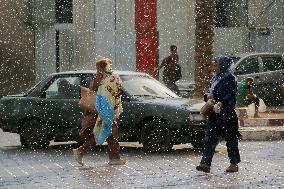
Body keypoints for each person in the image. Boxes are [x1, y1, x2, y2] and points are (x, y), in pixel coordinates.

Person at [73, 57, 127, 166]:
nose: (110, 67)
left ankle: (113, 158)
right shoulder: (100, 76)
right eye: (108, 65)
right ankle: (81, 151)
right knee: (105, 133)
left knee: (108, 133)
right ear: (104, 66)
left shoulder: (104, 76)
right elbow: (98, 91)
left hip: (104, 109)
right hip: (102, 111)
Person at [196, 56, 241, 173]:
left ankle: (234, 163)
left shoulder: (230, 79)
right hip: (214, 114)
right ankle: (205, 163)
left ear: (223, 65)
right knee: (210, 137)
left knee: (231, 139)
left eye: (216, 65)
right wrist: (208, 97)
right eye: (213, 65)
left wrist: (222, 102)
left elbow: (231, 94)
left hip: (227, 114)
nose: (213, 67)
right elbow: (211, 91)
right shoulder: (215, 78)